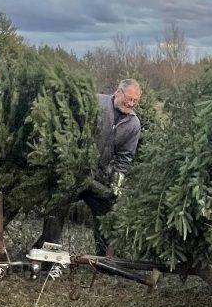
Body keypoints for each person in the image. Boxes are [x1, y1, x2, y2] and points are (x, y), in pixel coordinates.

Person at [33, 78, 142, 256]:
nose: (130, 103)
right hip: (75, 171)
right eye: (128, 98)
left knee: (106, 213)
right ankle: (47, 251)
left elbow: (125, 158)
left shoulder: (133, 125)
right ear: (118, 92)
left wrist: (116, 183)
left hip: (100, 177)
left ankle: (104, 258)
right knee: (58, 204)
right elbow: (71, 127)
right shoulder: (96, 103)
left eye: (135, 101)